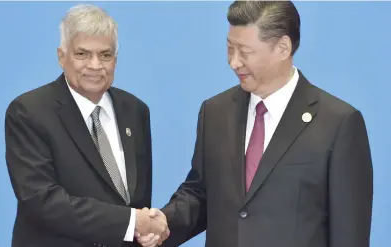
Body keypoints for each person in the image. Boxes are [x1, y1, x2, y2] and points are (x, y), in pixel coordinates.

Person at [138, 1, 373, 247]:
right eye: (230, 49)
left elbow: (349, 233)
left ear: (283, 48)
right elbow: (201, 194)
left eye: (244, 51)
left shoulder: (337, 123)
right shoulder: (216, 112)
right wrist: (163, 222)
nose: (234, 62)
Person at [5, 4, 168, 247]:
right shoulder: (29, 112)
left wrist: (145, 227)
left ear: (116, 59)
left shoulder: (135, 110)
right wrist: (132, 222)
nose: (95, 65)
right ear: (62, 57)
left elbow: (136, 199)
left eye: (105, 55)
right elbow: (42, 201)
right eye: (82, 54)